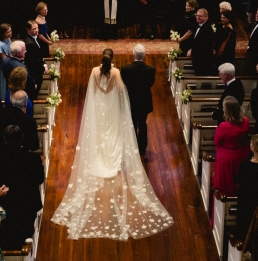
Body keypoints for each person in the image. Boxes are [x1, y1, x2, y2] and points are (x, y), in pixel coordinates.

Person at [51, 54, 174, 239]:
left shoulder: (94, 71)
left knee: (101, 128)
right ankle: (112, 155)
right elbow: (122, 91)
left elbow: (92, 91)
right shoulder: (116, 72)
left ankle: (100, 152)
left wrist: (98, 99)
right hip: (112, 104)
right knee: (112, 130)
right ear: (112, 59)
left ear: (102, 60)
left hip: (99, 104)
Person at [0, 125, 45, 249]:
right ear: (21, 138)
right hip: (29, 202)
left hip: (9, 202)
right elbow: (40, 180)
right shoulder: (33, 159)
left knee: (11, 232)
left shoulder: (0, 160)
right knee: (27, 232)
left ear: (5, 140)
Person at [234, 134, 258, 241]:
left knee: (246, 225)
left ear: (253, 148)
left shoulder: (246, 166)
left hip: (248, 201)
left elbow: (238, 180)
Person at [120, 44, 156, 157]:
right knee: (142, 123)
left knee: (132, 123)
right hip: (144, 100)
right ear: (144, 55)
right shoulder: (151, 70)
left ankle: (132, 146)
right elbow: (150, 83)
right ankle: (142, 148)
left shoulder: (125, 69)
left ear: (133, 54)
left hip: (130, 100)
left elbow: (124, 84)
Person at [213, 97, 251, 197]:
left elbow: (217, 141)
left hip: (226, 159)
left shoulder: (224, 126)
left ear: (227, 111)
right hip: (242, 155)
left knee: (225, 185)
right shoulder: (246, 121)